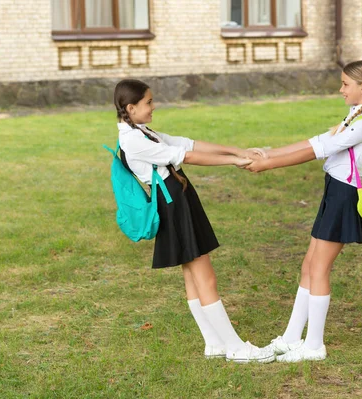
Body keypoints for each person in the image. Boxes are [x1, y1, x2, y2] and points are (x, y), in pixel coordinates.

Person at [113, 79, 274, 363]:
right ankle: (235, 347)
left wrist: (238, 151)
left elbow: (188, 143)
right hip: (173, 204)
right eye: (149, 102)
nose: (153, 106)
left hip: (178, 199)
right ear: (131, 107)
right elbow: (185, 155)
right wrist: (233, 162)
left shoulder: (141, 131)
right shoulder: (133, 141)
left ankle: (213, 342)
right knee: (204, 275)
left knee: (191, 272)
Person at [245, 59, 362, 362]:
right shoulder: (354, 116)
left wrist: (268, 164)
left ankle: (314, 346)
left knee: (319, 268)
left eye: (346, 84)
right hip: (333, 193)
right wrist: (269, 152)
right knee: (309, 264)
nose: (341, 89)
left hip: (345, 197)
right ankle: (293, 338)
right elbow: (317, 140)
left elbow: (317, 151)